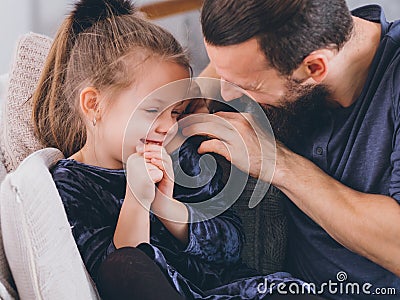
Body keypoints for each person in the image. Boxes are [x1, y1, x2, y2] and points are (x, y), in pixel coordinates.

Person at [31, 0, 318, 299]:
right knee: (123, 265)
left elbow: (231, 247)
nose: (168, 126)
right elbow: (114, 277)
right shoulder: (70, 185)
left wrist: (168, 208)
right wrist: (138, 199)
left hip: (236, 292)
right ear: (94, 104)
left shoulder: (182, 155)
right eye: (154, 109)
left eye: (177, 112)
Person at [181, 0, 400, 299]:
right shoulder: (286, 44)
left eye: (246, 84)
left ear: (314, 67)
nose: (226, 92)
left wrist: (276, 162)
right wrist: (194, 91)